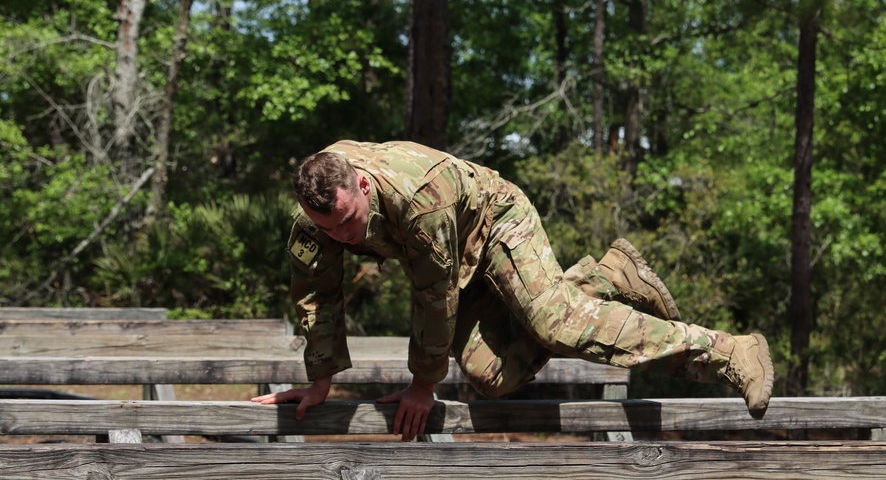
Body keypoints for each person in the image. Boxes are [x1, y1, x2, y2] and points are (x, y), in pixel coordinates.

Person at [253, 140, 774, 440]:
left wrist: (421, 385)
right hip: (458, 260)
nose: (343, 237)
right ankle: (603, 278)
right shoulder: (314, 218)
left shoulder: (417, 199)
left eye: (348, 222)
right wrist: (319, 380)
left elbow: (435, 298)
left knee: (554, 322)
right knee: (489, 374)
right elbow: (316, 296)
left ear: (361, 186)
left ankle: (727, 350)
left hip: (495, 220)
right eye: (330, 230)